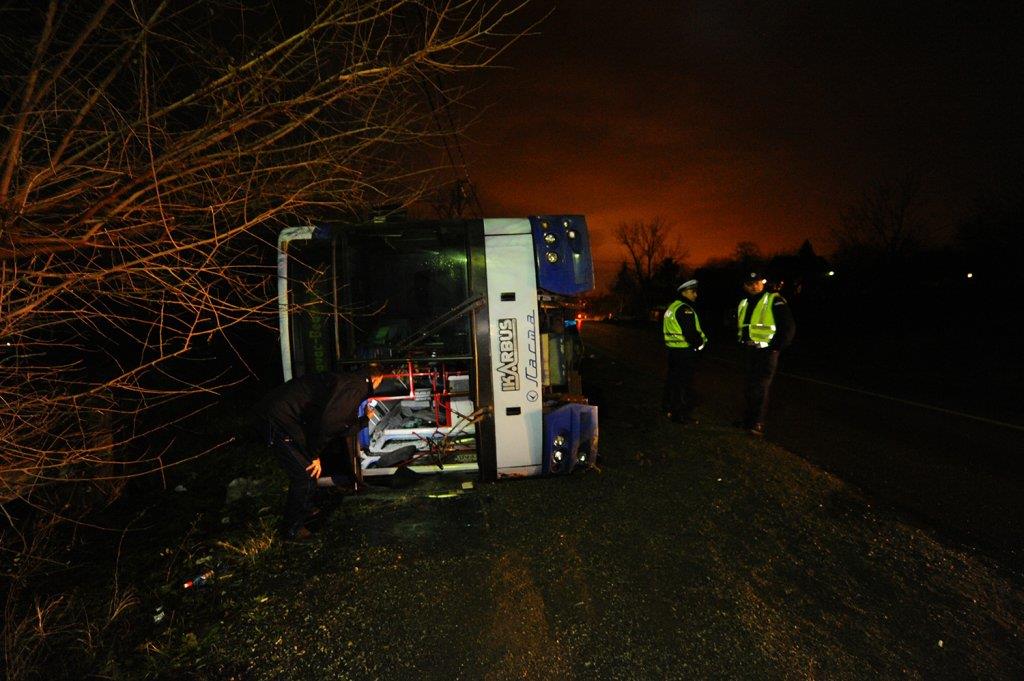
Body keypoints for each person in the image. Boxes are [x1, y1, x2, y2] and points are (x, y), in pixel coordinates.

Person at [254, 365, 385, 540]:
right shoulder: (356, 388)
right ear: (376, 378)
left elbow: (341, 423)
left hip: (284, 415)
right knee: (306, 474)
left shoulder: (348, 380)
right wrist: (314, 455)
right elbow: (330, 424)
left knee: (308, 472)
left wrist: (363, 420)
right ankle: (291, 530)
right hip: (279, 419)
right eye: (380, 383)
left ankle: (304, 507)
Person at [737, 271, 795, 436]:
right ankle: (748, 420)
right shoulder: (744, 302)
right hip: (749, 350)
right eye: (750, 284)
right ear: (745, 286)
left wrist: (776, 347)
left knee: (760, 387)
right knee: (749, 387)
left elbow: (788, 326)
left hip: (766, 351)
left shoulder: (773, 300)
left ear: (762, 283)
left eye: (757, 282)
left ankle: (757, 423)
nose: (754, 286)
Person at [662, 278, 707, 425]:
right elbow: (691, 333)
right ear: (685, 292)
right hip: (684, 352)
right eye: (693, 292)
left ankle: (669, 408)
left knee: (673, 381)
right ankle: (680, 414)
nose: (696, 295)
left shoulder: (672, 307)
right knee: (684, 384)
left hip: (673, 351)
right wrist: (699, 345)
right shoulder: (685, 309)